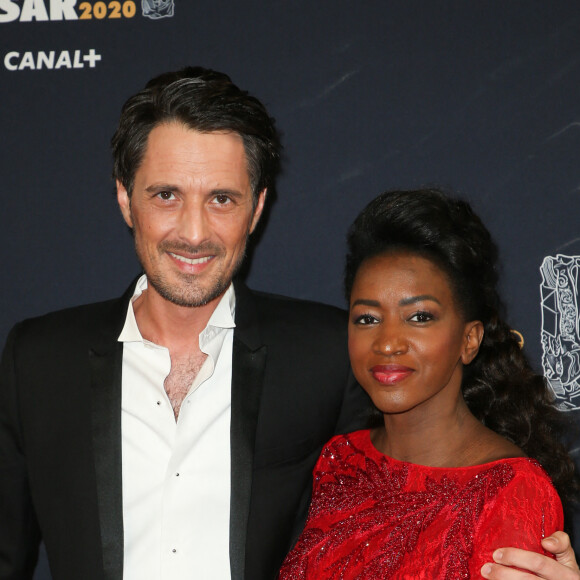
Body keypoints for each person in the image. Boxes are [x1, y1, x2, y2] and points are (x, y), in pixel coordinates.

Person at [0, 70, 577, 580]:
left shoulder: (327, 355)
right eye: (167, 195)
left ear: (256, 208)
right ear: (126, 199)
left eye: (222, 198)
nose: (194, 232)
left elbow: (433, 490)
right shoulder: (40, 361)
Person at [279, 188, 579, 579]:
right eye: (367, 318)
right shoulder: (340, 460)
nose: (387, 343)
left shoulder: (508, 493)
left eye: (419, 317)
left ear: (469, 340)